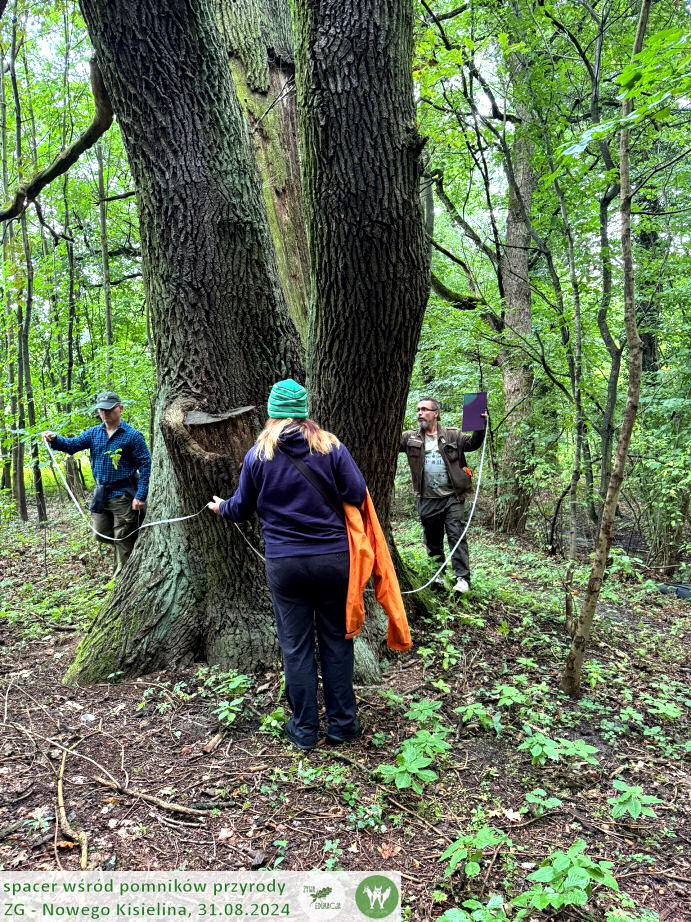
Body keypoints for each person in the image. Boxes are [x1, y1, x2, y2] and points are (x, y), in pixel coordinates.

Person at [208, 379, 367, 752]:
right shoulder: (331, 446)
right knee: (337, 642)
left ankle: (303, 730)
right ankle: (343, 725)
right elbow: (357, 494)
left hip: (286, 564)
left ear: (272, 413)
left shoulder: (258, 454)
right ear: (304, 412)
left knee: (295, 647)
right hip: (333, 561)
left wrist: (220, 507)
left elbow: (241, 508)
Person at [42, 390, 151, 576]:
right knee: (100, 532)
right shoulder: (94, 433)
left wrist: (140, 496)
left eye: (109, 409)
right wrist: (55, 439)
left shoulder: (133, 436)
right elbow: (72, 445)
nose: (105, 413)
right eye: (101, 410)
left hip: (124, 495)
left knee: (123, 537)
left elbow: (146, 465)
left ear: (120, 409)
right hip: (102, 494)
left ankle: (122, 580)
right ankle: (128, 551)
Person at [400, 396, 486, 592]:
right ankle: (438, 576)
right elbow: (386, 443)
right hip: (427, 497)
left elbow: (472, 444)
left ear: (435, 413)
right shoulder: (410, 437)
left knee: (456, 535)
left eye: (424, 409)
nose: (420, 413)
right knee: (432, 539)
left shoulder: (453, 435)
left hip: (452, 497)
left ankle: (462, 579)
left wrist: (480, 425)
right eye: (418, 410)